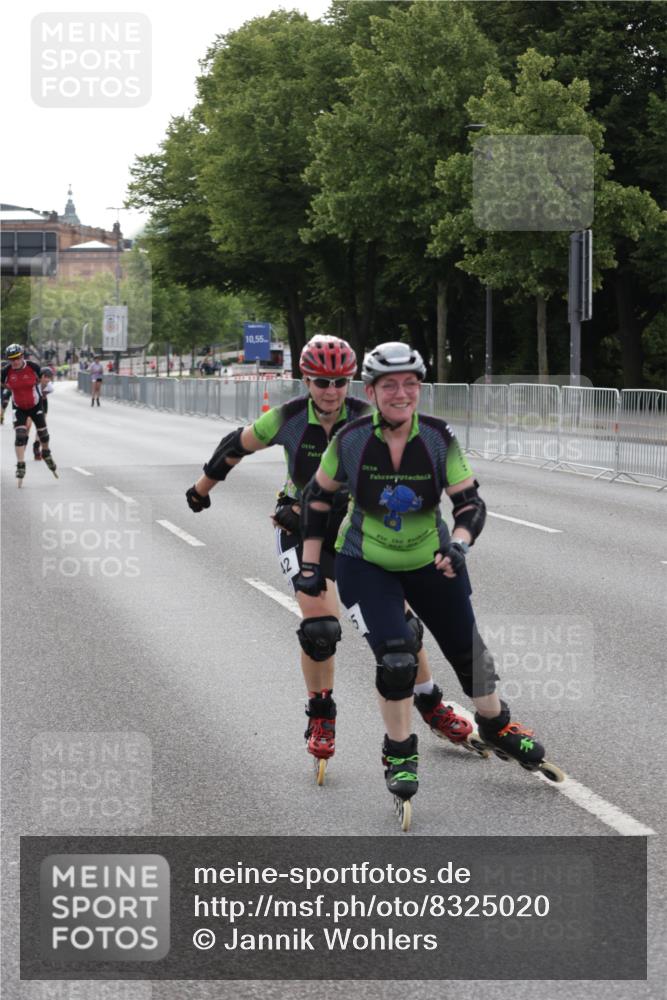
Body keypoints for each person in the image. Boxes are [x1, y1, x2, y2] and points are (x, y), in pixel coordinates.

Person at [185, 335, 471, 777]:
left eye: (340, 381)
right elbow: (235, 445)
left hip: (356, 534)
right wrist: (201, 491)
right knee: (320, 629)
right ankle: (321, 712)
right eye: (321, 382)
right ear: (306, 380)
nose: (332, 391)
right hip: (300, 530)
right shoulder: (288, 418)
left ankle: (431, 703)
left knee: (403, 627)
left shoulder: (367, 419)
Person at [295, 341, 556, 815]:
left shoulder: (438, 438)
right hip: (364, 563)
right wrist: (311, 565)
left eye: (410, 384)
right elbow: (316, 497)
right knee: (396, 659)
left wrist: (459, 543)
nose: (401, 393)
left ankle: (497, 725)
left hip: (433, 559)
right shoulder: (350, 440)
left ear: (419, 389)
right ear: (371, 391)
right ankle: (399, 753)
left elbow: (470, 503)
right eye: (389, 385)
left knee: (469, 652)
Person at [1, 344, 57, 480]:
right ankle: (21, 464)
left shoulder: (32, 366)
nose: (15, 361)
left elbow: (43, 381)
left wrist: (41, 387)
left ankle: (45, 451)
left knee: (43, 434)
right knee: (20, 435)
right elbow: (2, 384)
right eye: (11, 359)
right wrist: (10, 389)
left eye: (17, 358)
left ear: (22, 356)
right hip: (18, 406)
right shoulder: (6, 371)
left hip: (35, 405)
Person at [28, 366, 55, 460]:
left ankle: (36, 446)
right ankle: (24, 441)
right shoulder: (35, 384)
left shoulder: (50, 386)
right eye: (45, 376)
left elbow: (46, 393)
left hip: (42, 404)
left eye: (49, 377)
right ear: (40, 377)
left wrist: (43, 394)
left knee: (41, 427)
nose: (47, 379)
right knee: (28, 425)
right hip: (32, 404)